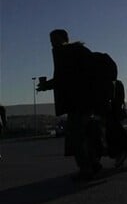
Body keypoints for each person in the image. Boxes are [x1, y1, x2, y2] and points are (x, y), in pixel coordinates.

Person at [37, 29, 101, 180]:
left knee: (76, 136)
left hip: (78, 102)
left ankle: (86, 169)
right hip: (85, 101)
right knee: (84, 135)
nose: (52, 44)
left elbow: (65, 78)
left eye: (54, 40)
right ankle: (93, 164)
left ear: (63, 39)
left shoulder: (66, 53)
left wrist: (48, 85)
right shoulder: (76, 51)